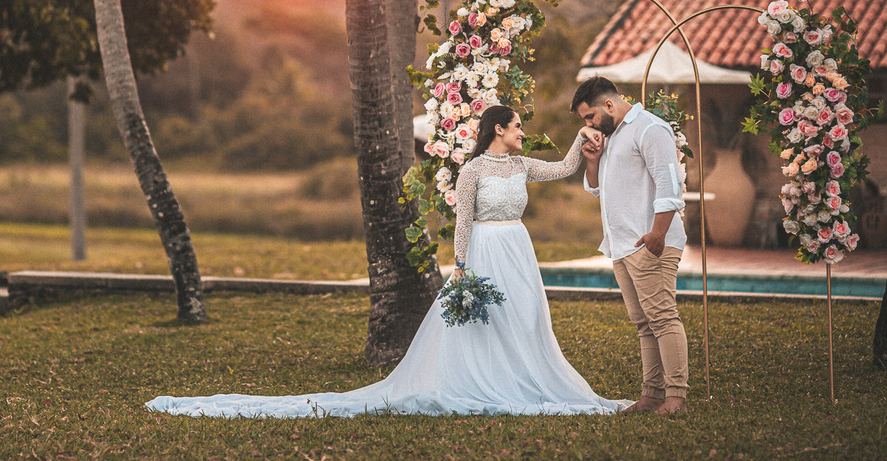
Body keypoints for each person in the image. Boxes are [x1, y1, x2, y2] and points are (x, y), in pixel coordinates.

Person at [145, 105, 630, 418]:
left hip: (518, 249)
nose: (524, 132)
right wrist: (460, 265)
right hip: (483, 249)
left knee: (522, 317)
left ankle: (523, 376)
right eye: (518, 126)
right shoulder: (473, 170)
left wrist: (583, 139)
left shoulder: (523, 165)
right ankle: (481, 378)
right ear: (498, 130)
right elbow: (462, 222)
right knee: (479, 320)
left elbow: (566, 168)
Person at [571, 76, 689, 415]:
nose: (589, 125)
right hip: (621, 244)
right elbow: (597, 189)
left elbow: (669, 186)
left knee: (663, 318)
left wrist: (657, 235)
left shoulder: (650, 129)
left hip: (648, 242)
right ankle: (652, 395)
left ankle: (676, 398)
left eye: (589, 117)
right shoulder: (613, 136)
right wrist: (593, 159)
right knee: (644, 324)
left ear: (608, 105)